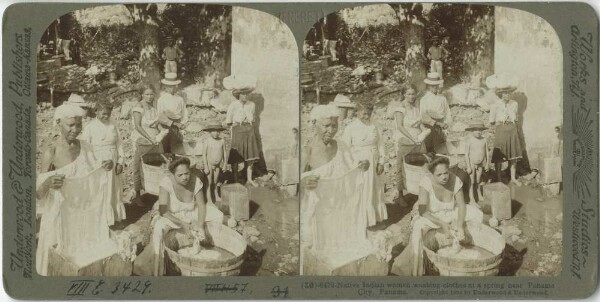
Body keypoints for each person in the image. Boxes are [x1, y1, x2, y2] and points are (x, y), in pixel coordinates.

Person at [36, 103, 115, 275]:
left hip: (81, 218)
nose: (75, 129)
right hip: (58, 217)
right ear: (59, 124)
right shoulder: (52, 152)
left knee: (81, 262)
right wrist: (48, 182)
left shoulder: (85, 147)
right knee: (56, 262)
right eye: (70, 125)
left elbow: (95, 174)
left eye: (78, 124)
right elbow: (38, 194)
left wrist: (107, 165)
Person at [300, 104, 373, 275]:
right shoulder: (307, 151)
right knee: (313, 247)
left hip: (339, 209)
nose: (331, 130)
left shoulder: (342, 146)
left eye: (334, 125)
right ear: (314, 125)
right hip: (317, 211)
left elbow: (354, 166)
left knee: (345, 248)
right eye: (326, 125)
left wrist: (364, 164)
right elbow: (299, 179)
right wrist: (304, 182)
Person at [391, 156, 483, 276]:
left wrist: (460, 224)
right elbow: (423, 212)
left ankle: (467, 246)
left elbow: (461, 205)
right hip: (431, 215)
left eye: (446, 173)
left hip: (450, 212)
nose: (444, 177)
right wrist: (443, 224)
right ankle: (417, 269)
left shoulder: (455, 180)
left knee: (477, 214)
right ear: (432, 174)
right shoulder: (426, 182)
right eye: (439, 175)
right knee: (418, 228)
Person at [133, 157, 223, 276]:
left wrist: (200, 224)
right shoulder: (166, 183)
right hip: (171, 215)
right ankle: (158, 270)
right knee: (159, 230)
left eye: (187, 173)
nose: (185, 177)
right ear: (173, 175)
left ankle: (211, 248)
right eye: (180, 175)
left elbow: (201, 205)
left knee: (218, 215)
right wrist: (183, 224)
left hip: (190, 212)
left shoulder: (195, 181)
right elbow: (163, 211)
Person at [341, 102, 387, 227]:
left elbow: (381, 144)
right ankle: (363, 221)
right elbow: (345, 149)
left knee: (376, 189)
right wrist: (355, 163)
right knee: (363, 190)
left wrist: (381, 162)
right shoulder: (350, 128)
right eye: (364, 113)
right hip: (360, 164)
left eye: (369, 113)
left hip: (375, 160)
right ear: (357, 112)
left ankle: (376, 219)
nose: (366, 116)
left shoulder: (374, 126)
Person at [80, 102, 127, 223]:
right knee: (101, 189)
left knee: (115, 190)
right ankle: (102, 221)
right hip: (98, 161)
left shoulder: (113, 124)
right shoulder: (90, 127)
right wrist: (96, 163)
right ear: (96, 111)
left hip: (113, 158)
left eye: (109, 114)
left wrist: (120, 161)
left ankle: (115, 219)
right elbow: (85, 148)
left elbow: (119, 144)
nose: (106, 116)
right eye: (104, 113)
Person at [388, 84, 430, 206]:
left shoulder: (416, 106)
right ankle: (400, 195)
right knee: (402, 167)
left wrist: (424, 131)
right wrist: (412, 138)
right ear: (404, 95)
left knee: (419, 165)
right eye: (409, 94)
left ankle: (419, 193)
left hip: (418, 139)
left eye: (413, 94)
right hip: (405, 139)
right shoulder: (400, 108)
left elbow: (419, 123)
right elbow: (400, 126)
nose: (412, 96)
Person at [131, 84, 170, 207]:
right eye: (146, 94)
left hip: (155, 140)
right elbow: (138, 126)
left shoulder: (153, 108)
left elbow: (156, 124)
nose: (149, 97)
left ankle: (157, 192)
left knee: (156, 165)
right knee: (138, 166)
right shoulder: (138, 108)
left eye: (151, 94)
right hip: (142, 139)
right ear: (142, 94)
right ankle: (137, 195)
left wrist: (162, 131)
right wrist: (150, 138)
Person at [224, 74, 261, 186]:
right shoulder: (233, 105)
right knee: (236, 156)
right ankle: (236, 180)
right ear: (238, 95)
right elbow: (229, 121)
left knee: (250, 157)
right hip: (237, 131)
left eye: (247, 93)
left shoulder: (252, 105)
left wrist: (248, 126)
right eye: (243, 94)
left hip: (249, 131)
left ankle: (249, 179)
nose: (245, 96)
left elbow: (253, 118)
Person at [486, 78, 523, 185]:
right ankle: (499, 179)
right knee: (499, 156)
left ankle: (513, 178)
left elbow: (515, 118)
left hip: (512, 130)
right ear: (501, 94)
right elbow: (492, 120)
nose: (507, 95)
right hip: (501, 130)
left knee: (513, 156)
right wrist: (496, 124)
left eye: (509, 93)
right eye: (504, 93)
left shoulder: (514, 104)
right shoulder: (495, 104)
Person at [420, 72, 451, 153]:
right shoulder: (424, 99)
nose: (435, 87)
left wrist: (446, 125)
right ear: (428, 86)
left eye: (436, 85)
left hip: (441, 126)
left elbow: (447, 112)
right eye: (432, 85)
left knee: (441, 148)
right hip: (429, 127)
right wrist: (437, 123)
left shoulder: (442, 98)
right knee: (431, 150)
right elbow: (423, 116)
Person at [157, 73, 188, 154]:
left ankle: (176, 162)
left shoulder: (180, 99)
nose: (172, 88)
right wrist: (170, 124)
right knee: (166, 146)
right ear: (165, 87)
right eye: (169, 86)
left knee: (176, 146)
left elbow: (184, 112)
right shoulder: (162, 99)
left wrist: (183, 123)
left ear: (176, 86)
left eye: (173, 86)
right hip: (166, 125)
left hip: (178, 125)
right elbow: (160, 115)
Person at [464, 123, 491, 204]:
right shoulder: (469, 140)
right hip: (472, 163)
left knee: (478, 180)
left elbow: (487, 152)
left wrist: (487, 164)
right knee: (471, 181)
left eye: (480, 130)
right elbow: (466, 154)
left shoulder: (484, 140)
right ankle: (471, 198)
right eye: (476, 130)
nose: (478, 132)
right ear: (472, 131)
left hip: (480, 164)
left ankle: (479, 194)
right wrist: (468, 166)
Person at [202, 123, 228, 203]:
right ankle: (209, 199)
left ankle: (216, 195)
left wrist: (225, 164)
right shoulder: (207, 141)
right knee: (209, 182)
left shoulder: (222, 141)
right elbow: (204, 154)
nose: (216, 133)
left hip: (217, 166)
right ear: (210, 132)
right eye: (213, 131)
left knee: (216, 182)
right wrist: (206, 167)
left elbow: (224, 153)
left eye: (218, 131)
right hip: (209, 164)